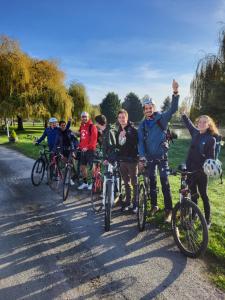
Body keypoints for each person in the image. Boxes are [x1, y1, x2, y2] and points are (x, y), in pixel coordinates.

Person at [138, 80, 179, 223]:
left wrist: (175, 92)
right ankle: (154, 205)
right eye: (146, 108)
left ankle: (168, 210)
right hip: (149, 157)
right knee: (152, 182)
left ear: (154, 108)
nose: (148, 110)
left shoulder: (162, 117)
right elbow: (141, 142)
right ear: (144, 110)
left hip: (162, 156)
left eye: (150, 107)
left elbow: (173, 108)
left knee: (165, 182)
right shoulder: (142, 125)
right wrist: (142, 156)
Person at [181, 112, 218, 228]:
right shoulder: (195, 133)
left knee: (204, 195)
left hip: (201, 173)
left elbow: (210, 159)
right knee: (193, 195)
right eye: (199, 122)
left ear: (208, 125)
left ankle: (207, 220)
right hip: (190, 171)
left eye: (204, 122)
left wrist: (202, 169)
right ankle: (193, 217)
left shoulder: (211, 139)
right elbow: (189, 124)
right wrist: (184, 115)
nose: (201, 124)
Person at [116, 109, 138, 213]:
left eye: (123, 117)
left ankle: (136, 203)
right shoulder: (118, 129)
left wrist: (127, 135)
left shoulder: (133, 129)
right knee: (126, 182)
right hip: (122, 160)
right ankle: (128, 202)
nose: (121, 119)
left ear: (127, 118)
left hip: (132, 160)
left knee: (134, 182)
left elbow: (135, 142)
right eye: (120, 117)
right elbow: (119, 145)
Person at [77, 112, 98, 190]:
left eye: (85, 117)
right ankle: (85, 183)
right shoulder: (82, 125)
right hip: (83, 150)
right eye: (82, 117)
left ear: (88, 117)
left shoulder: (92, 126)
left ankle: (93, 183)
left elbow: (94, 140)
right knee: (82, 167)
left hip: (90, 150)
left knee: (92, 167)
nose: (84, 118)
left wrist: (87, 147)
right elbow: (82, 138)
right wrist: (79, 146)